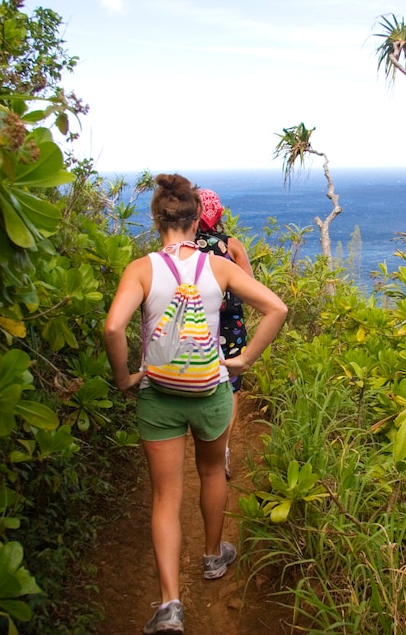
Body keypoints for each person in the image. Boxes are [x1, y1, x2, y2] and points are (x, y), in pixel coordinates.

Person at [104, 173, 288, 635]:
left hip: (158, 396)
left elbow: (112, 329)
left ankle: (170, 605)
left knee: (166, 496)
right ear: (196, 220)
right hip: (210, 393)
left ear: (157, 219)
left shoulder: (141, 269)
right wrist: (242, 359)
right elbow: (277, 309)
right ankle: (212, 557)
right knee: (210, 472)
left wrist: (125, 377)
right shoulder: (219, 266)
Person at [195, 188, 252, 479]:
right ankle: (223, 448)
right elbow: (250, 287)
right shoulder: (231, 246)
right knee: (230, 387)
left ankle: (200, 441)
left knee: (198, 379)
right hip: (230, 326)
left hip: (193, 325)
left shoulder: (182, 247)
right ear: (218, 213)